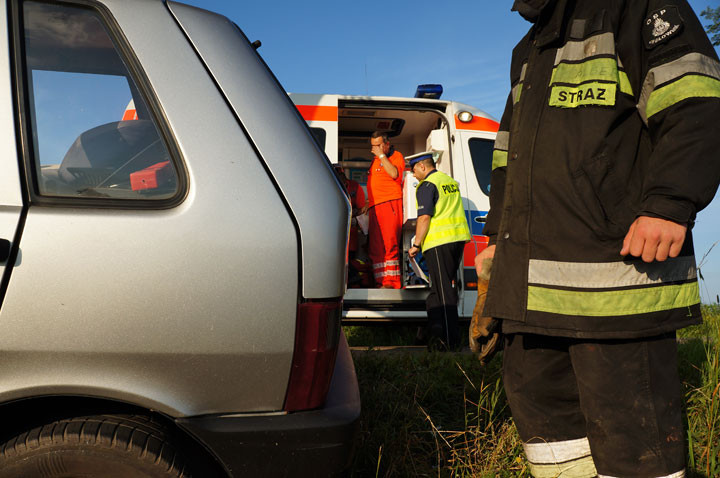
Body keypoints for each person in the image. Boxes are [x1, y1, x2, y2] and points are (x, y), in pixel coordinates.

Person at [476, 1, 720, 476]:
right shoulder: (529, 47)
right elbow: (508, 153)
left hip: (618, 293)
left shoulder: (637, 6)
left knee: (637, 453)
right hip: (529, 298)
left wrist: (668, 203)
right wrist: (496, 239)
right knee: (552, 446)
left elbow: (697, 100)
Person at [408, 153, 470, 350]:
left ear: (422, 167)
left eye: (414, 169)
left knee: (443, 292)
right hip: (457, 239)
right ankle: (430, 336)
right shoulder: (449, 181)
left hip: (438, 242)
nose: (413, 174)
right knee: (437, 292)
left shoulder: (426, 185)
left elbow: (424, 217)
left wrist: (416, 244)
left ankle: (450, 343)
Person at [364, 132, 405, 288]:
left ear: (387, 144)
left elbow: (394, 174)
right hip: (375, 206)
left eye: (379, 145)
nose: (376, 148)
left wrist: (381, 156)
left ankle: (392, 282)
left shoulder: (395, 156)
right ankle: (380, 281)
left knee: (390, 243)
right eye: (374, 146)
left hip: (389, 203)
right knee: (376, 247)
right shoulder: (375, 161)